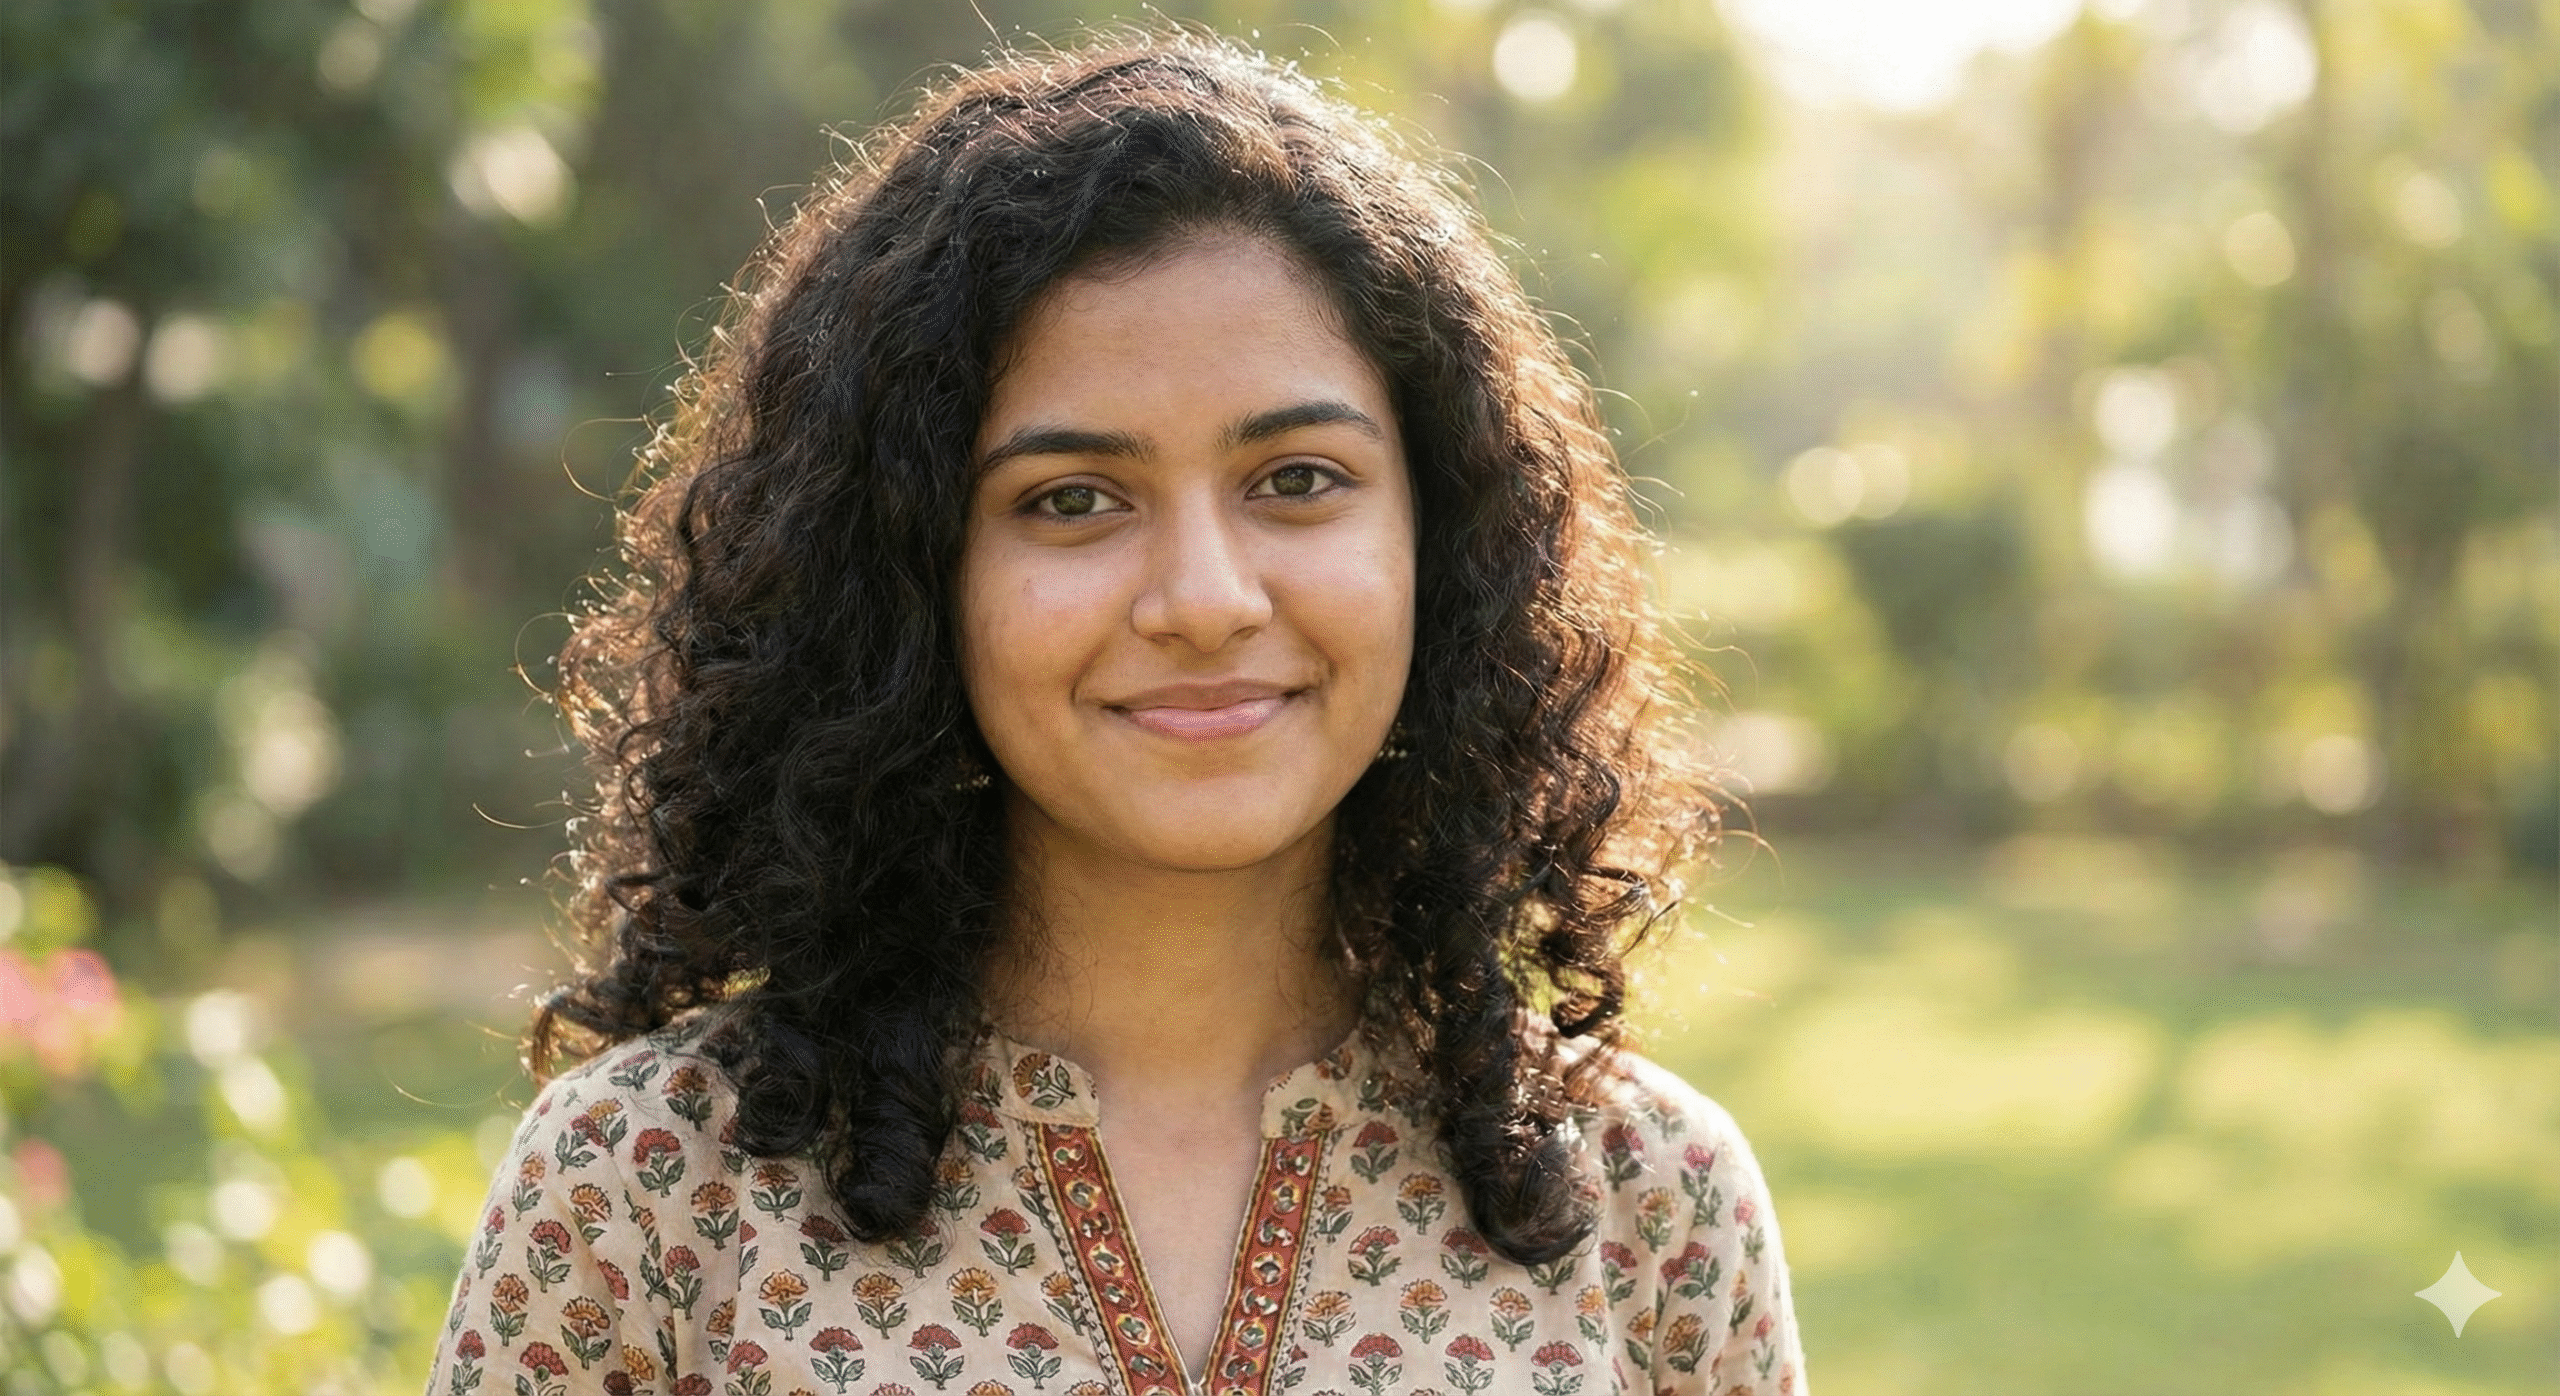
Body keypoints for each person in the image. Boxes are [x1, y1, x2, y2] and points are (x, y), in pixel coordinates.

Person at [427, 29, 1806, 1396]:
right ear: (907, 578)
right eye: (1071, 500)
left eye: (1298, 478)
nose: (1205, 600)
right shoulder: (649, 1194)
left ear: (1437, 540)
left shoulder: (1643, 1202)